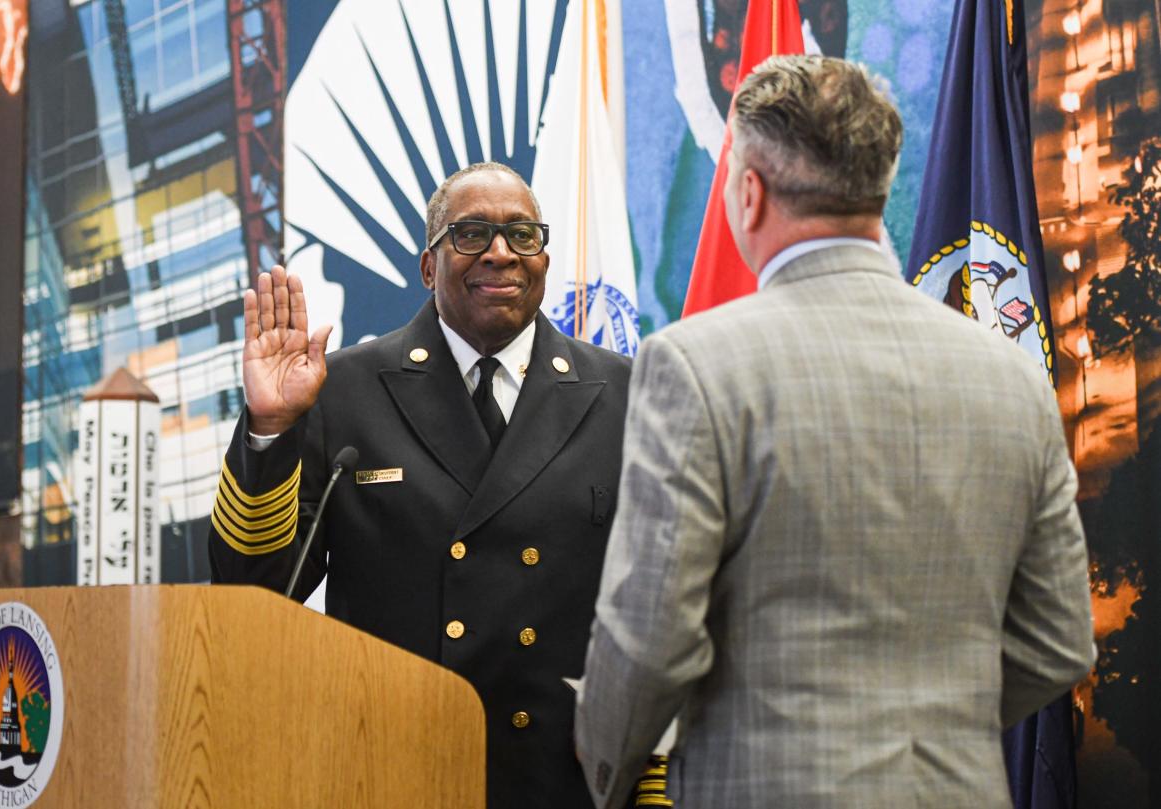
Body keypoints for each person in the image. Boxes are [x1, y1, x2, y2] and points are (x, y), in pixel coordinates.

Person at [574, 55, 1095, 808]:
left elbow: (649, 637)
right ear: (877, 187)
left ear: (750, 192)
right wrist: (930, 723)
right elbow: (1059, 639)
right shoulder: (1012, 376)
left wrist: (600, 770)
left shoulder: (694, 365)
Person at [209, 162, 631, 809]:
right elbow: (257, 590)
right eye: (471, 233)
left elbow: (654, 605)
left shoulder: (622, 391)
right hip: (394, 771)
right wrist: (270, 425)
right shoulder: (340, 389)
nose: (499, 252)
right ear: (429, 266)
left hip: (564, 782)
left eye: (522, 234)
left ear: (543, 260)